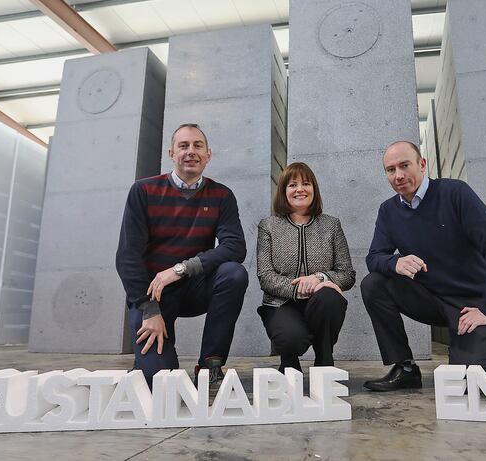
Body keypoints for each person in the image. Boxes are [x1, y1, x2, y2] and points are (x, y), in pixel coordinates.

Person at [361, 141, 486, 391]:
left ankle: (471, 355)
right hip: (428, 299)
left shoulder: (455, 193)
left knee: (469, 387)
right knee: (373, 284)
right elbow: (374, 257)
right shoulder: (388, 211)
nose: (398, 175)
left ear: (422, 164)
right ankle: (405, 368)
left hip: (468, 305)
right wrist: (395, 261)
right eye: (390, 170)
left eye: (404, 165)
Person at [116, 123, 248, 388]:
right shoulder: (143, 191)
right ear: (171, 153)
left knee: (234, 274)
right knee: (160, 382)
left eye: (198, 145)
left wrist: (181, 269)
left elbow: (235, 247)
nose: (191, 151)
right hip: (154, 295)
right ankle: (148, 362)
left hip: (194, 287)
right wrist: (148, 309)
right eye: (183, 146)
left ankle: (210, 364)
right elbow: (127, 258)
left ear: (208, 155)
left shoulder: (222, 195)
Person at [257, 162, 355, 372]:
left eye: (306, 184)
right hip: (280, 304)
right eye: (293, 185)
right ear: (284, 191)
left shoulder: (331, 225)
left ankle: (325, 359)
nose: (300, 189)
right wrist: (299, 288)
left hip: (320, 302)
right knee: (291, 338)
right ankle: (289, 362)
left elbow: (347, 274)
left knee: (329, 298)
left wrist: (319, 278)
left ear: (314, 189)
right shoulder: (269, 226)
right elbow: (265, 276)